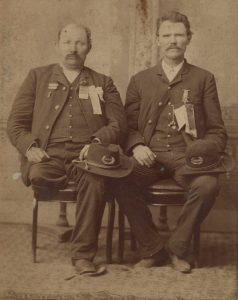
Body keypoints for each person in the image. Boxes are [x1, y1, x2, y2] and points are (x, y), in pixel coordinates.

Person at [7, 23, 128, 275]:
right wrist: (30, 148)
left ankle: (83, 256)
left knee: (95, 181)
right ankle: (69, 216)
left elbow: (118, 124)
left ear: (89, 47)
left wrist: (96, 143)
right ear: (57, 46)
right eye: (67, 42)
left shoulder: (103, 83)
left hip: (86, 159)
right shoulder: (37, 77)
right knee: (39, 174)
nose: (73, 49)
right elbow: (16, 124)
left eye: (79, 43)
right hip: (47, 157)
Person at [115, 11, 228, 273]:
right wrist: (136, 146)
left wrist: (201, 151)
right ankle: (152, 249)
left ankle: (178, 248)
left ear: (189, 38)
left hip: (185, 159)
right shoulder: (140, 80)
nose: (172, 41)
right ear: (157, 40)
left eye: (178, 35)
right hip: (149, 156)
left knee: (208, 185)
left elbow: (217, 131)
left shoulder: (203, 78)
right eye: (166, 35)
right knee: (120, 179)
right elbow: (127, 126)